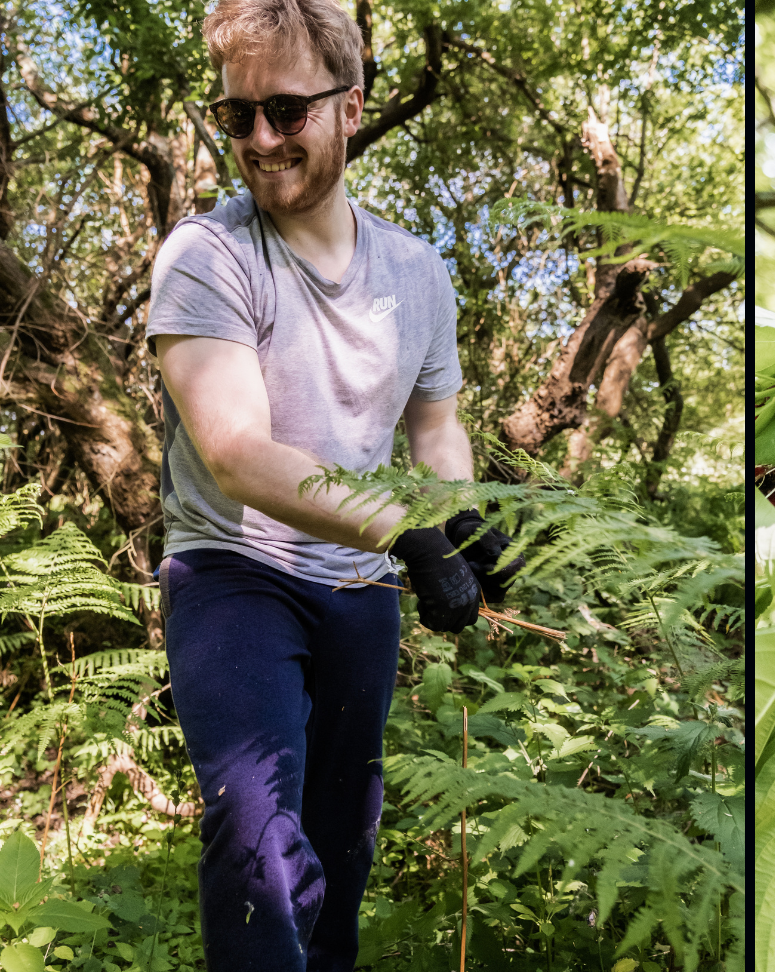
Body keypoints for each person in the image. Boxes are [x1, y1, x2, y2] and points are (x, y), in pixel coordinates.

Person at [143, 1, 519, 968]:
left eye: (287, 111)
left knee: (342, 854)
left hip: (358, 595)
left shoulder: (418, 274)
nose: (261, 141)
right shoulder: (207, 255)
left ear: (352, 107)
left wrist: (463, 517)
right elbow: (235, 449)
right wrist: (406, 530)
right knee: (260, 845)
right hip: (234, 574)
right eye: (238, 117)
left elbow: (436, 428)